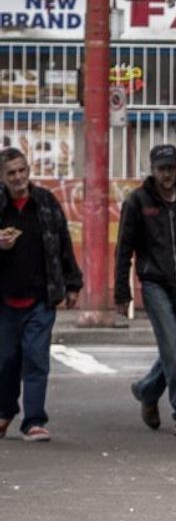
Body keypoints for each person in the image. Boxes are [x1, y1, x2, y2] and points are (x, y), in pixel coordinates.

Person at [116, 144, 176, 437]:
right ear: (153, 169)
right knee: (173, 348)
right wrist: (122, 293)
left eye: (171, 168)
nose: (167, 174)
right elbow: (124, 249)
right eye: (162, 169)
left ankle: (147, 389)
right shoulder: (138, 201)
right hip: (154, 283)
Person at [0, 147, 82, 442]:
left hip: (40, 298)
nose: (18, 177)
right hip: (5, 301)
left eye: (22, 170)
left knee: (36, 358)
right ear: (2, 176)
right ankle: (5, 412)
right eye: (11, 173)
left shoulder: (45, 202)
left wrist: (73, 284)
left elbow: (63, 241)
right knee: (6, 359)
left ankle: (33, 420)